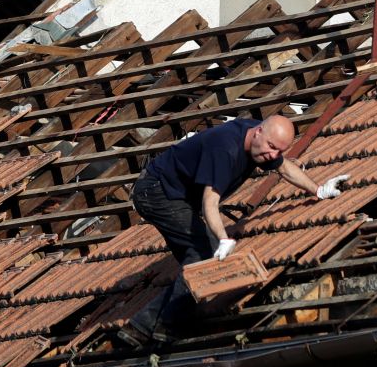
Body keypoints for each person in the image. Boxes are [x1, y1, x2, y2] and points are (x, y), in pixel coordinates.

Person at [122, 114, 347, 345]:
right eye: (271, 147)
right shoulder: (225, 150)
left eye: (278, 150)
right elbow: (209, 202)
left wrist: (318, 190)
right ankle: (149, 327)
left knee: (195, 267)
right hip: (157, 192)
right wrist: (223, 238)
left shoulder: (260, 143)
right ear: (258, 132)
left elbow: (284, 168)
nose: (272, 155)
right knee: (204, 255)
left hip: (175, 194)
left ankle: (153, 325)